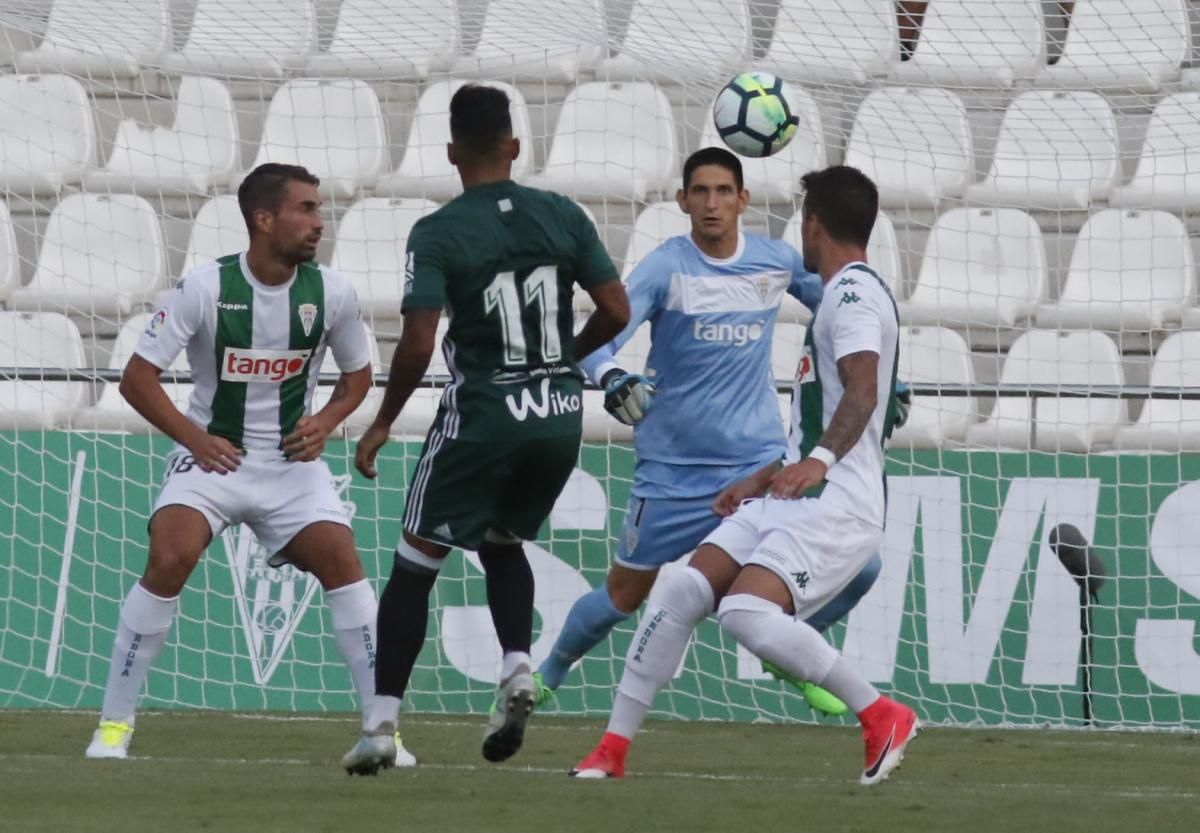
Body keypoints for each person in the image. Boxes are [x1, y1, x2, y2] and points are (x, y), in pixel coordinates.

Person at [572, 165, 918, 786]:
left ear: (813, 224)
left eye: (801, 219)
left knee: (744, 614)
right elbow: (819, 420)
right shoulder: (839, 295)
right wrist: (761, 480)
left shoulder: (854, 296)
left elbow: (863, 393)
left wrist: (819, 462)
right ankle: (612, 751)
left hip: (839, 503)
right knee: (679, 591)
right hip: (793, 490)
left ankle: (880, 713)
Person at [339, 84, 630, 775]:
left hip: (483, 415)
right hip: (559, 418)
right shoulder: (562, 213)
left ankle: (381, 724)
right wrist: (563, 361)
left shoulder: (438, 232)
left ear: (450, 152)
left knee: (415, 564)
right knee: (503, 539)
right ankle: (518, 666)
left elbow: (416, 345)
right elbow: (616, 310)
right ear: (515, 146)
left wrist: (381, 421)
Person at [84, 163, 410, 764]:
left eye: (319, 209)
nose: (319, 222)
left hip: (290, 467)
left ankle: (382, 732)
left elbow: (360, 376)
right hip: (213, 461)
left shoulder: (332, 292)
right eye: (306, 209)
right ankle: (113, 725)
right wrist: (195, 437)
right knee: (170, 556)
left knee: (344, 562)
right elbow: (136, 379)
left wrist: (327, 423)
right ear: (264, 220)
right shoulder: (205, 287)